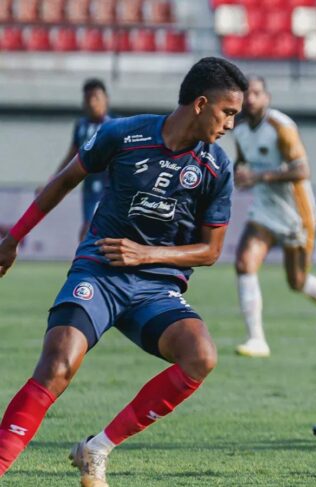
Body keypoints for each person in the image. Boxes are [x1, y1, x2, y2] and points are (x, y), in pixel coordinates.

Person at [0, 57, 248, 486]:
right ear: (201, 104)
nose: (230, 124)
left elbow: (211, 251)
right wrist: (13, 238)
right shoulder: (124, 134)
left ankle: (97, 448)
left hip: (155, 289)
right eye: (228, 113)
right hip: (97, 273)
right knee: (57, 365)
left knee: (201, 357)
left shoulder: (216, 167)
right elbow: (65, 180)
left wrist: (145, 255)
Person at [232, 76, 316, 357]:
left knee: (296, 281)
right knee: (244, 263)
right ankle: (257, 339)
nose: (251, 99)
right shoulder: (240, 129)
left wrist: (258, 176)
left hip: (295, 212)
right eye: (246, 94)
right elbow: (242, 163)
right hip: (264, 209)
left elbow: (302, 170)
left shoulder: (280, 127)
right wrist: (238, 175)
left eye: (256, 93)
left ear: (266, 97)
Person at [44, 78, 112, 242]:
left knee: (93, 228)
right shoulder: (81, 126)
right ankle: (87, 261)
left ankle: (87, 261)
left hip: (110, 186)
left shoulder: (115, 125)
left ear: (106, 99)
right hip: (88, 187)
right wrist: (54, 180)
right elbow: (72, 155)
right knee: (88, 227)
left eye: (96, 97)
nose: (92, 103)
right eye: (88, 98)